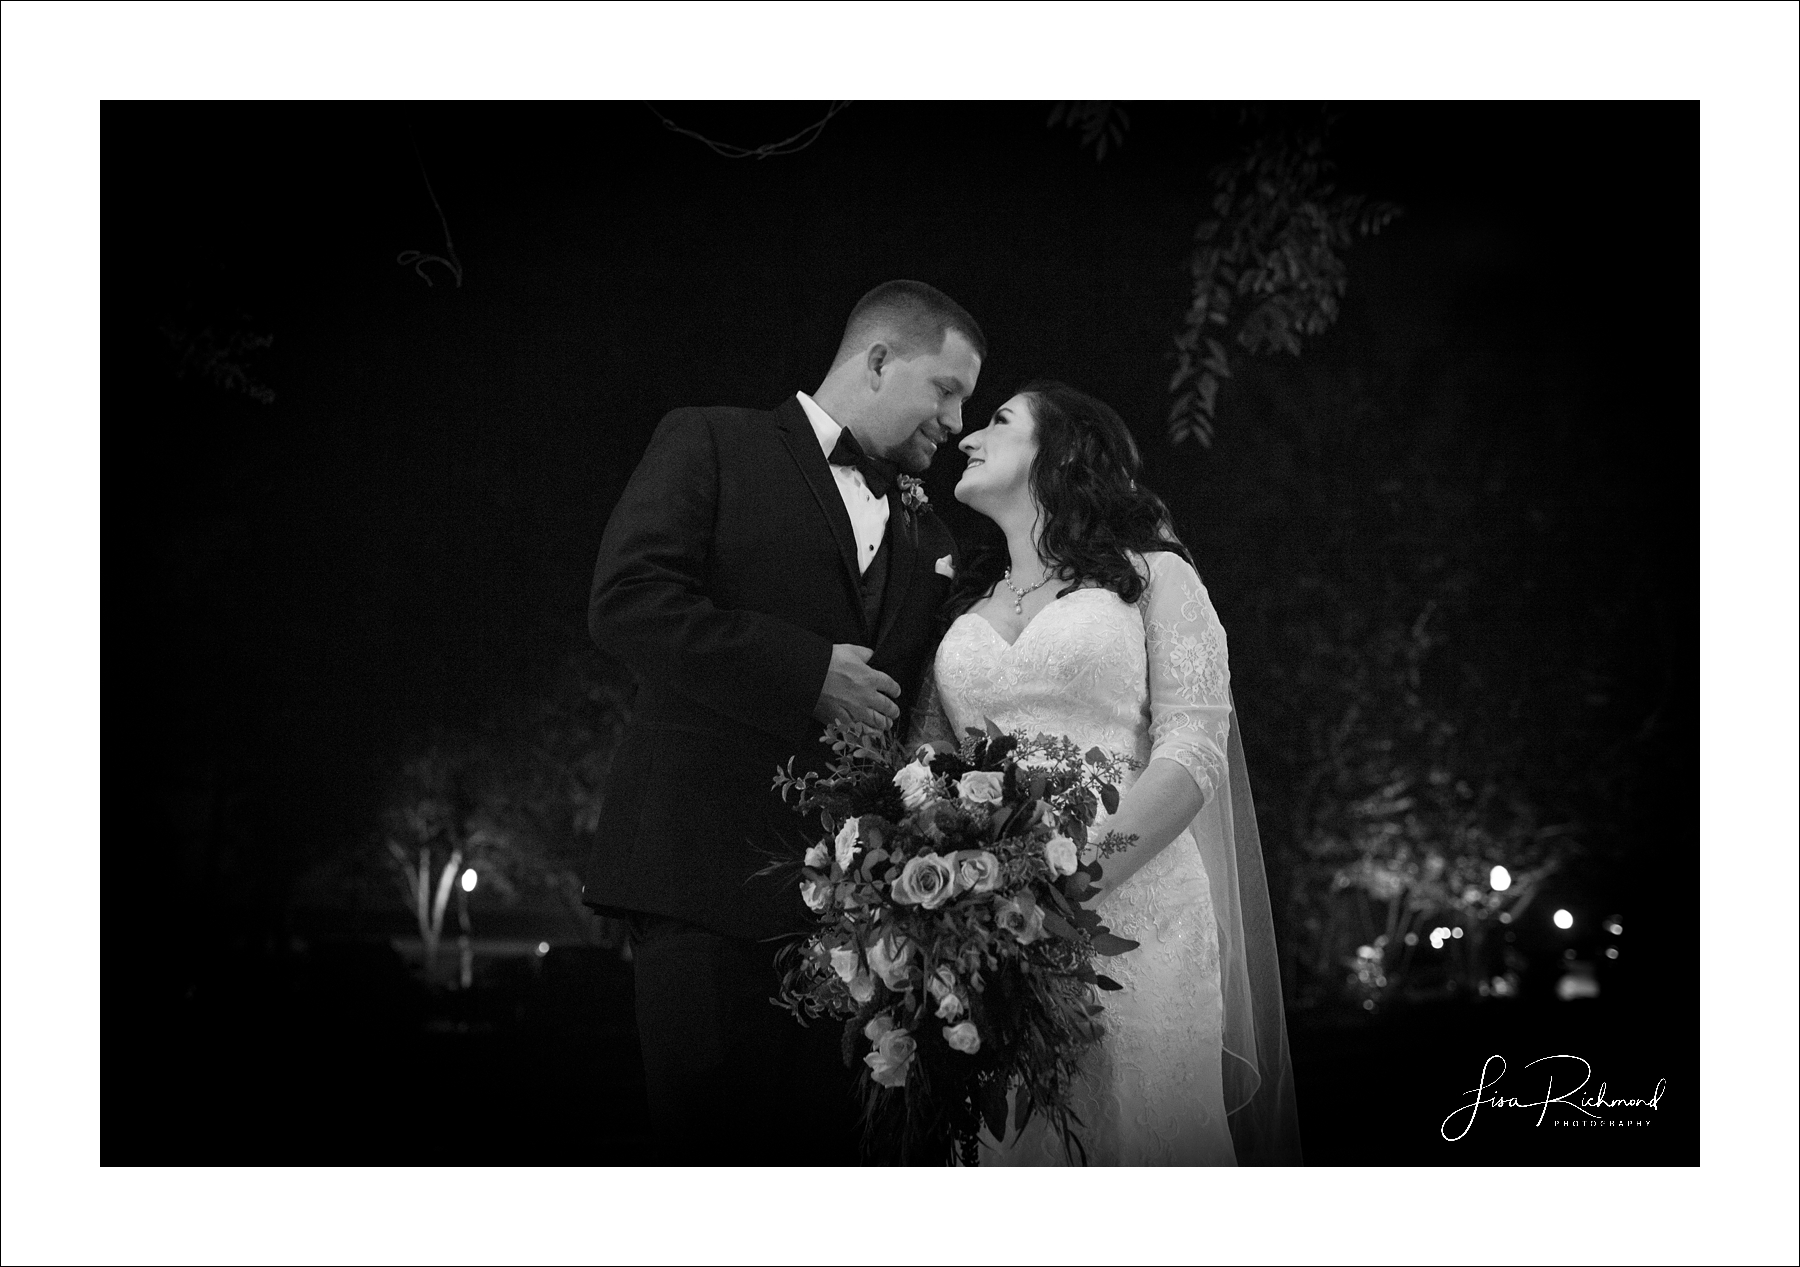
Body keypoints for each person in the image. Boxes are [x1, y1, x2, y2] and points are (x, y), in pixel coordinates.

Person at [582, 280, 983, 1164]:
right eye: (946, 389)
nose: (956, 422)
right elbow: (628, 602)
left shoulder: (932, 537)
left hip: (852, 934)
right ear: (878, 360)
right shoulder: (712, 441)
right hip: (701, 887)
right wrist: (807, 673)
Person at [911, 380, 1303, 1165]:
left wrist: (1069, 883)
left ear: (1060, 449)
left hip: (1139, 908)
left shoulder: (1153, 576)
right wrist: (961, 893)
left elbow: (1194, 750)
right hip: (998, 930)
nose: (967, 438)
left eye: (998, 420)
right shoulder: (961, 606)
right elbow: (928, 765)